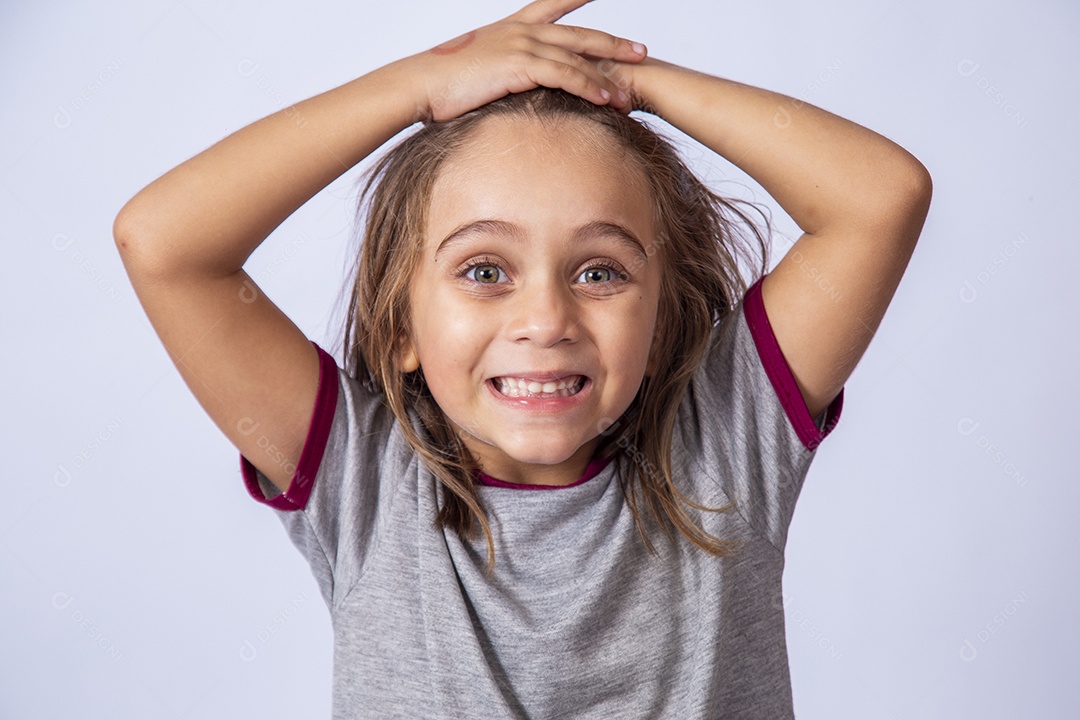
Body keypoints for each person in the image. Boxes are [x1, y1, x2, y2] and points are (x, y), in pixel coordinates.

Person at [113, 0, 932, 717]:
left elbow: (879, 197)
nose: (544, 318)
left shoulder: (726, 443)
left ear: (663, 319)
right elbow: (165, 244)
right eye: (483, 271)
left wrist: (628, 80)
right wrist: (421, 83)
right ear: (400, 325)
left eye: (600, 271)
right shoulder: (359, 483)